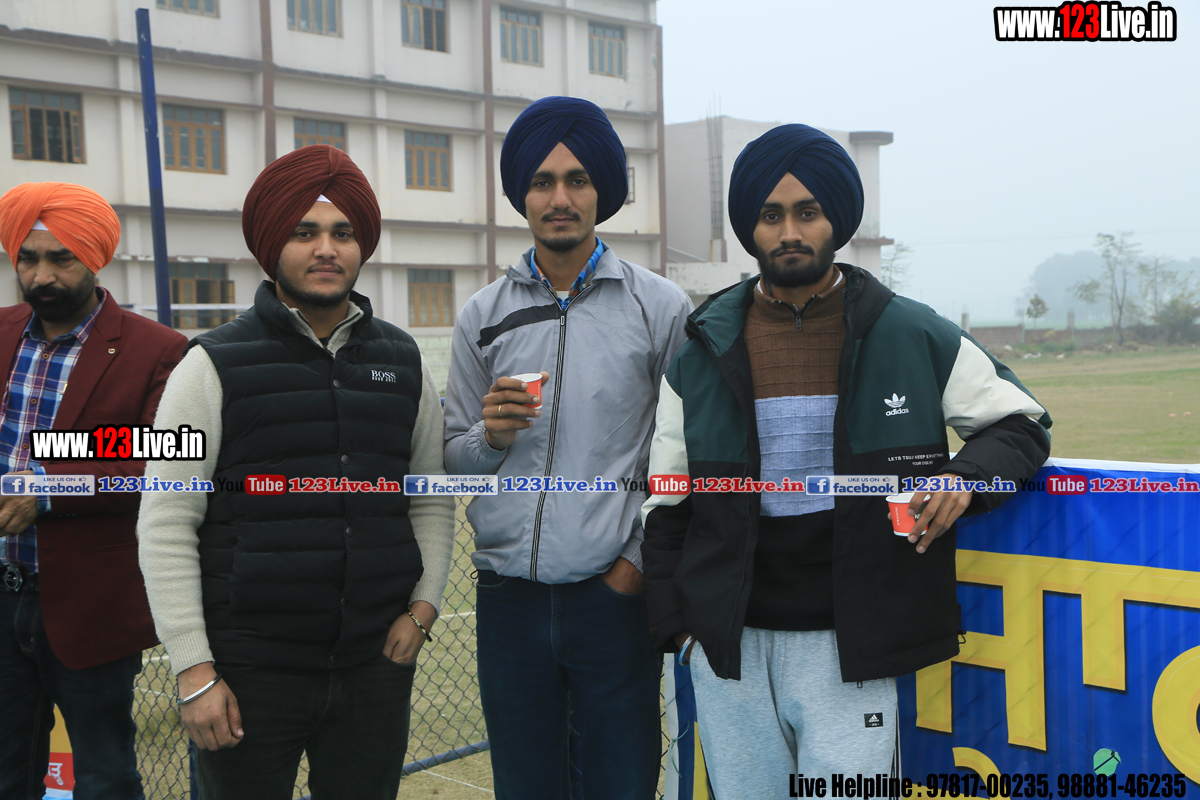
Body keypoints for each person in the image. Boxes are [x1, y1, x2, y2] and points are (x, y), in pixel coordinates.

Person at [641, 124, 1052, 794]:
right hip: (728, 646)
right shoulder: (702, 349)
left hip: (852, 644)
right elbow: (667, 501)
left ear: (837, 220)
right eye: (771, 216)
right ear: (750, 228)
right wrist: (680, 631)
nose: (789, 232)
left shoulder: (909, 331)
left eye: (807, 212)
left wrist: (965, 477)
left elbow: (1021, 424)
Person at [137, 145, 454, 799]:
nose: (326, 249)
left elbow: (428, 495)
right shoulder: (209, 365)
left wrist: (423, 607)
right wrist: (194, 669)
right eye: (304, 232)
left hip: (373, 666)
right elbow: (167, 519)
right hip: (248, 673)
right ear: (271, 243)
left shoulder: (404, 361)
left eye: (343, 233)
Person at [443, 96, 692, 799]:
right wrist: (491, 438)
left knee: (621, 783)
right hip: (508, 601)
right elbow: (454, 459)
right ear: (521, 195)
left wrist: (634, 566)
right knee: (525, 786)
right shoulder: (483, 315)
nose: (560, 198)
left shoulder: (659, 308)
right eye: (543, 181)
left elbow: (684, 454)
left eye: (577, 179)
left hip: (614, 598)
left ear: (602, 190)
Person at [0, 182, 187, 798]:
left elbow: (165, 457)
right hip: (1, 597)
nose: (41, 275)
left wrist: (47, 487)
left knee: (104, 778)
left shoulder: (156, 349)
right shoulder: (0, 332)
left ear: (95, 257)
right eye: (28, 258)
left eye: (61, 259)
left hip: (88, 604)